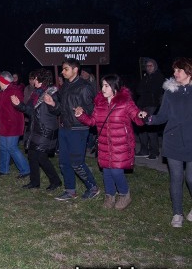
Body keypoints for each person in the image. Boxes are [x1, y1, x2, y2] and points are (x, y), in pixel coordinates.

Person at [75, 74, 144, 209]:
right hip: (104, 143)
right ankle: (109, 196)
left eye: (106, 85)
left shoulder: (125, 102)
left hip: (122, 144)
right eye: (102, 85)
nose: (103, 88)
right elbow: (92, 121)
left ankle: (124, 195)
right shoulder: (99, 104)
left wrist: (141, 115)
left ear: (115, 87)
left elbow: (136, 117)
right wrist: (81, 115)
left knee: (116, 171)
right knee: (106, 171)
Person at [141, 57, 192, 227]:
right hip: (173, 141)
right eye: (175, 70)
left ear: (189, 72)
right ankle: (177, 213)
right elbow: (162, 116)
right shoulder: (170, 92)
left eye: (179, 70)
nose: (175, 73)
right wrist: (148, 119)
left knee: (191, 178)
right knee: (176, 178)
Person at [44, 59, 100, 201]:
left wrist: (83, 111)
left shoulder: (84, 87)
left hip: (78, 129)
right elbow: (61, 109)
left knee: (77, 162)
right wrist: (52, 104)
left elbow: (93, 110)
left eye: (66, 69)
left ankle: (93, 187)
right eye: (62, 69)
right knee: (64, 162)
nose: (62, 72)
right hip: (65, 128)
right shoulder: (65, 86)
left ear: (75, 70)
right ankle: (70, 191)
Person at [12, 68, 62, 190]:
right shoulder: (36, 93)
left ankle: (55, 181)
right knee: (32, 155)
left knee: (41, 156)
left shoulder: (52, 92)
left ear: (39, 79)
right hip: (35, 128)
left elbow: (58, 110)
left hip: (46, 129)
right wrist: (19, 105)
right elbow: (30, 110)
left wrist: (52, 104)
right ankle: (34, 182)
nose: (33, 80)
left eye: (35, 78)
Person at [0, 72, 30, 178]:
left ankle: (25, 169)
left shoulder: (14, 91)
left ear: (4, 81)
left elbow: (17, 107)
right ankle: (3, 170)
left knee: (12, 147)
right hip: (4, 124)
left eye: (0, 80)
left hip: (13, 125)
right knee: (3, 147)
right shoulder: (3, 91)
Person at [135, 58, 165, 160]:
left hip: (152, 105)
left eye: (151, 65)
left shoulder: (159, 77)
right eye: (147, 66)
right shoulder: (145, 77)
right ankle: (144, 150)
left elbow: (154, 90)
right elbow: (138, 89)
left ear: (155, 66)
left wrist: (146, 90)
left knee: (151, 128)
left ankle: (154, 151)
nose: (149, 68)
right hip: (142, 104)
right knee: (141, 127)